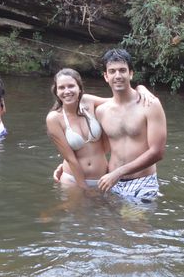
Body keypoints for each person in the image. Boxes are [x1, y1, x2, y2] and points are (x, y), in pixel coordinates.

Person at [46, 68, 156, 191]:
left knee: (109, 210)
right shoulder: (54, 118)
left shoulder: (88, 101)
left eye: (71, 86)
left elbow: (122, 101)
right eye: (61, 87)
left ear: (79, 88)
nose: (67, 91)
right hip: (73, 180)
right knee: (76, 210)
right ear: (56, 91)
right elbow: (70, 158)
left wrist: (141, 89)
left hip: (102, 178)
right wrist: (84, 188)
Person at [95, 48, 167, 202]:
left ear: (131, 73)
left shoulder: (150, 104)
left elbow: (157, 152)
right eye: (112, 71)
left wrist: (118, 172)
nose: (118, 76)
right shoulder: (101, 111)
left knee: (134, 224)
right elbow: (96, 148)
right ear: (106, 76)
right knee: (108, 225)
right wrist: (66, 163)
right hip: (111, 182)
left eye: (122, 70)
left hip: (142, 183)